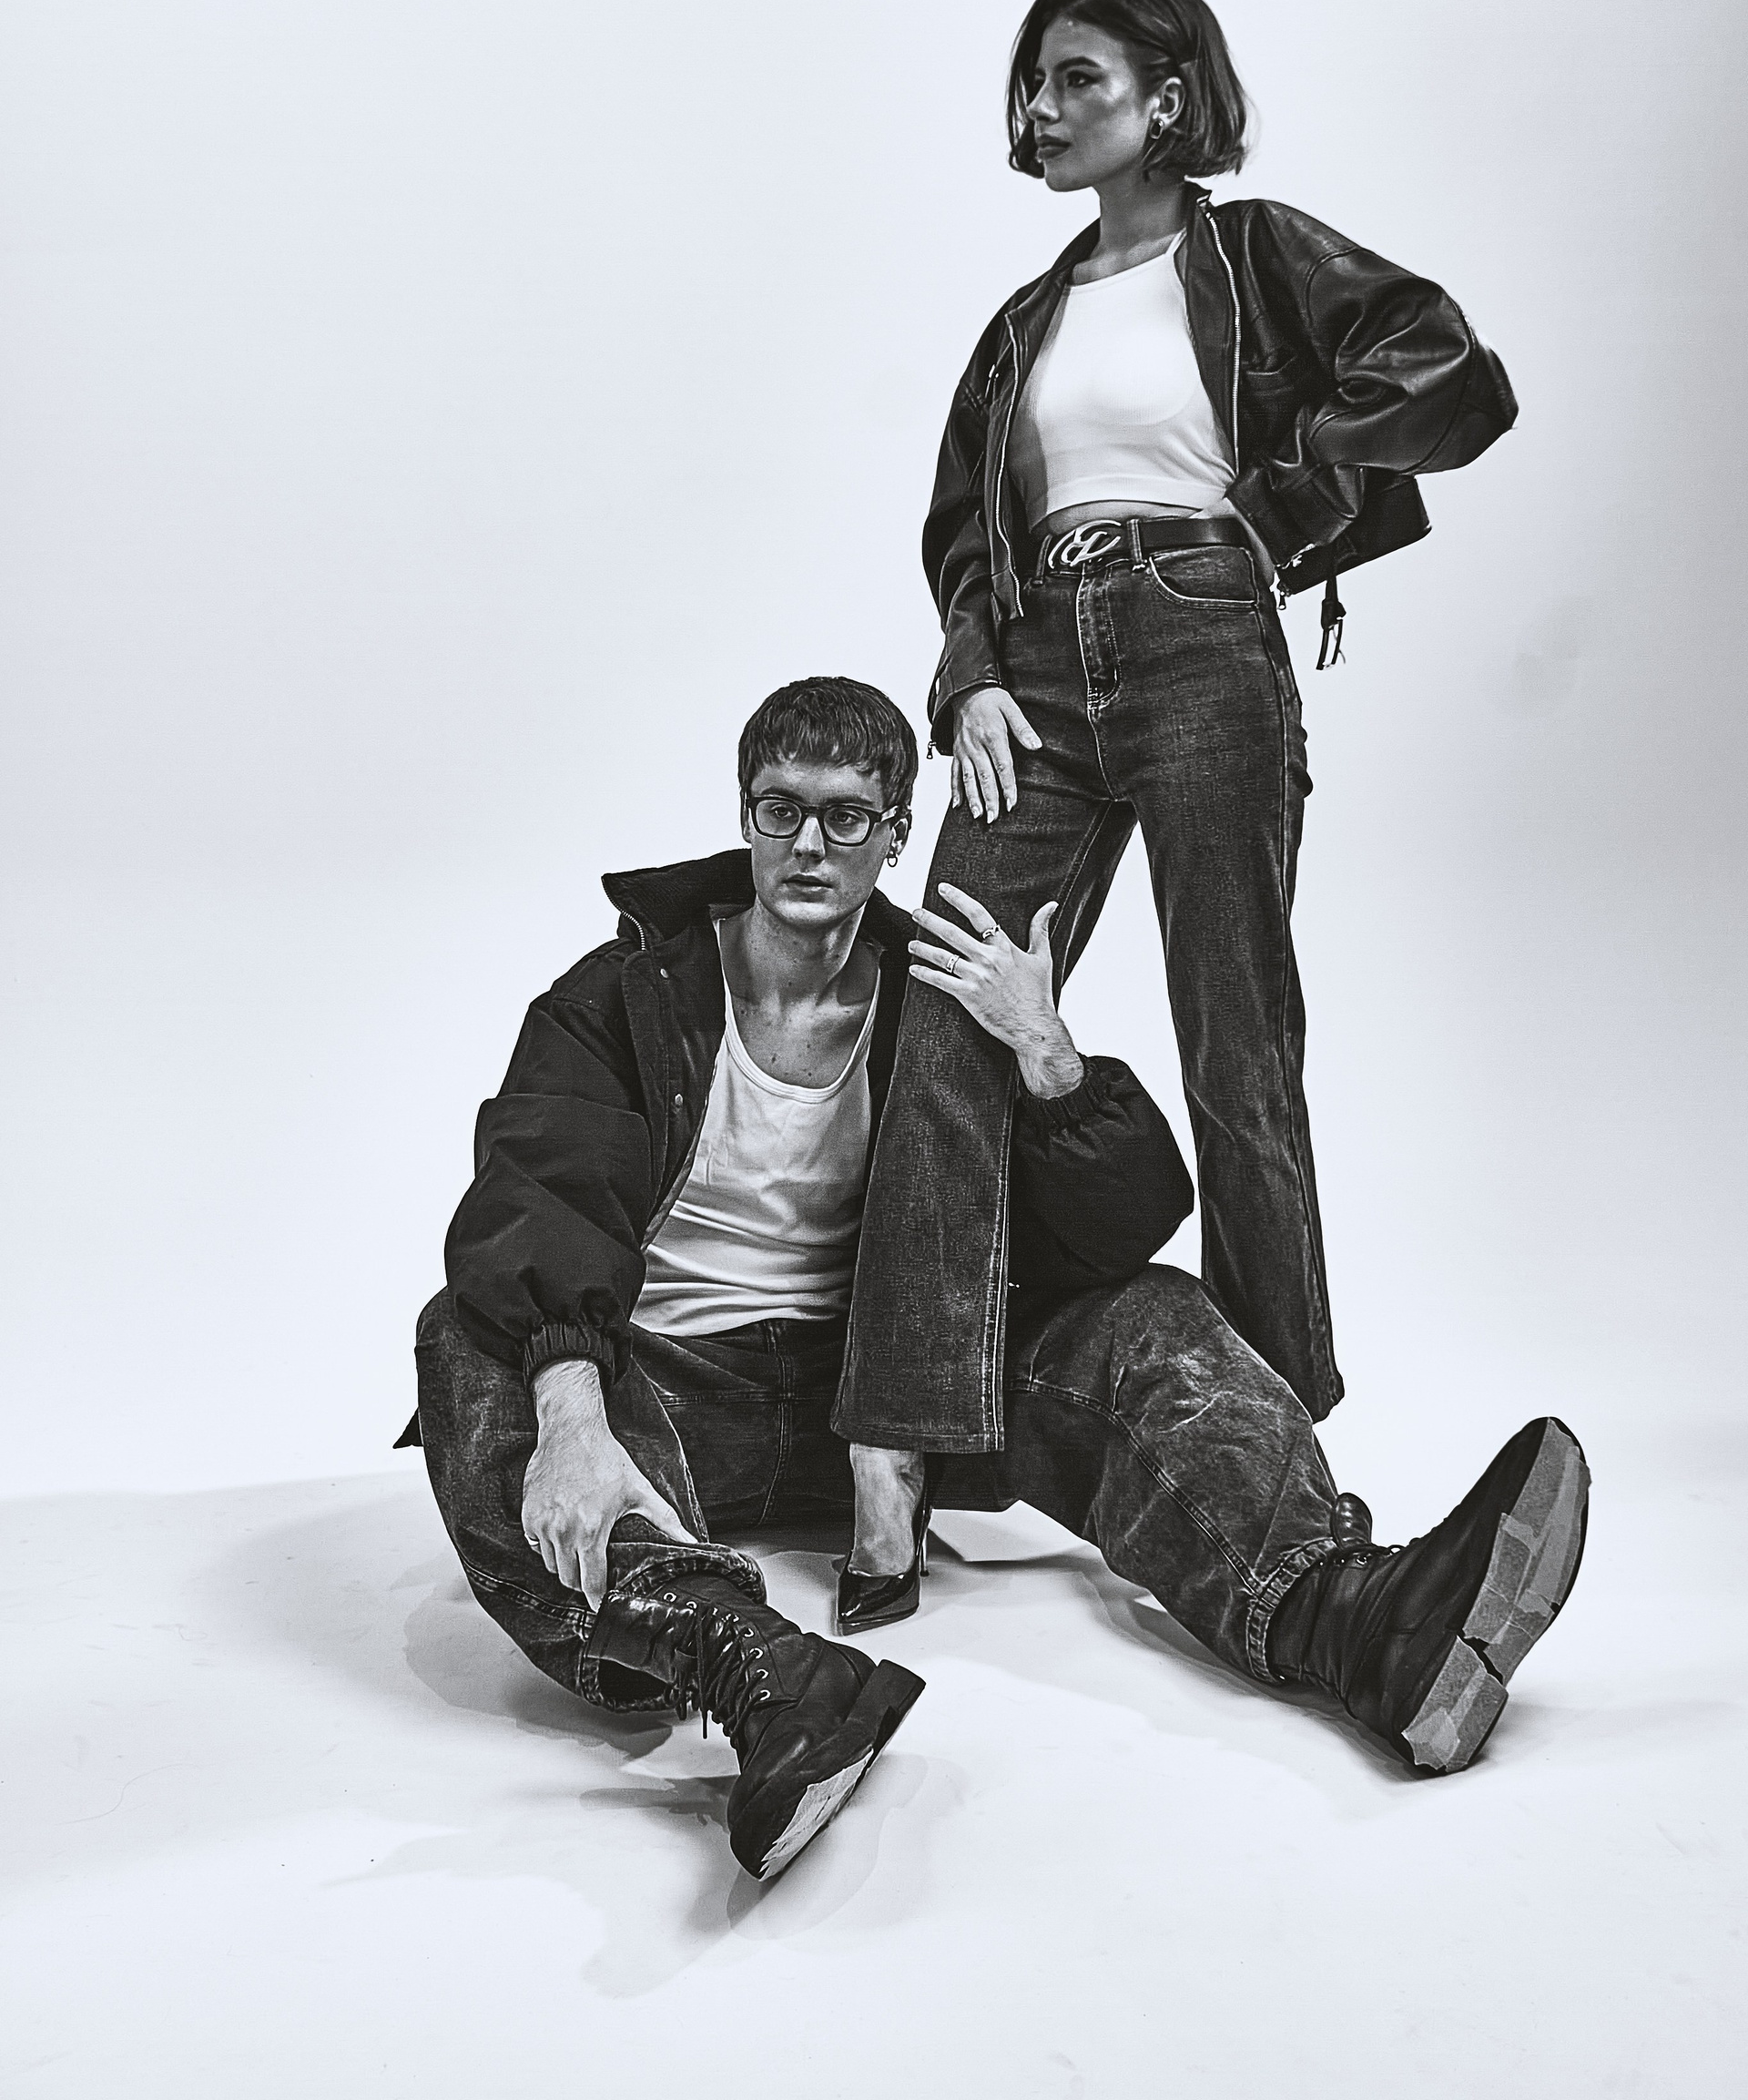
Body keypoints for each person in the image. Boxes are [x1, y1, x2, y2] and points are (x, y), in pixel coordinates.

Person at [408, 677, 1588, 1887]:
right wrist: (572, 1417)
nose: (808, 843)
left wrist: (1045, 1050)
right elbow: (535, 1196)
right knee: (472, 1344)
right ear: (745, 815)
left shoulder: (945, 991)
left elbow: (1116, 1235)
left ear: (896, 836)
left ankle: (1357, 1621)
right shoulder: (625, 995)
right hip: (670, 1401)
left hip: (887, 1395)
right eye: (780, 809)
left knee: (1150, 1319)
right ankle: (766, 1673)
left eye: (845, 816)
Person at [837, 0, 1519, 1579]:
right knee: (946, 1010)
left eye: (1076, 78)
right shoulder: (1023, 326)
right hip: (1033, 676)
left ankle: (1278, 1453)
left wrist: (1271, 512)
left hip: (1204, 633)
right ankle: (896, 1444)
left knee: (1236, 1040)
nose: (1043, 110)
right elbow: (962, 533)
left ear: (1167, 96)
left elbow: (1450, 371)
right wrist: (969, 676)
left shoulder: (1257, 254)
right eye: (1032, 86)